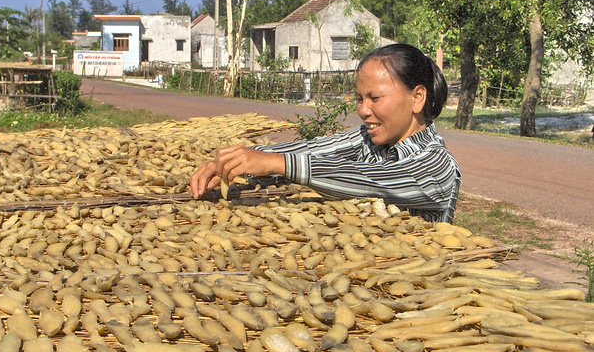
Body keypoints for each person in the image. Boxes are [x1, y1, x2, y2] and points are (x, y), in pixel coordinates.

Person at [190, 43, 461, 223]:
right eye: (359, 98)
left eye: (375, 98)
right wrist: (244, 160)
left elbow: (371, 181)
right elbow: (313, 151)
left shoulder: (437, 166)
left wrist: (276, 163)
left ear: (417, 98)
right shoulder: (368, 141)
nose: (364, 110)